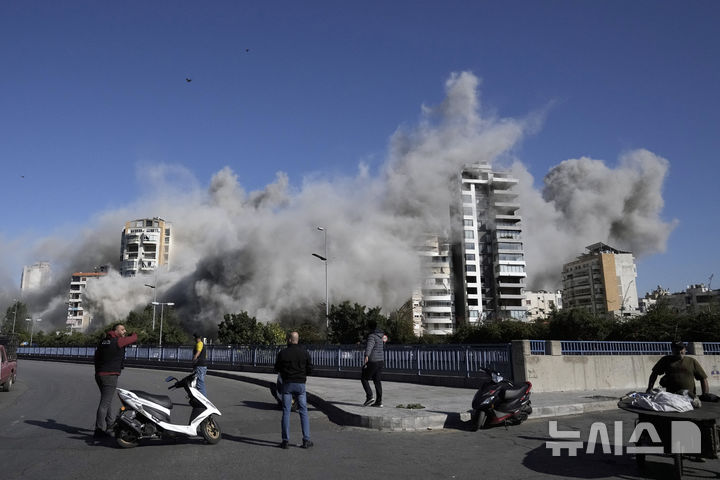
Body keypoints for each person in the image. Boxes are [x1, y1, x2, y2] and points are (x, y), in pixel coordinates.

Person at [93, 323, 138, 439]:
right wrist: (134, 333)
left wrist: (99, 371)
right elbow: (134, 338)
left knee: (107, 401)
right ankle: (98, 430)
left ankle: (110, 425)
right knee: (104, 404)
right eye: (122, 329)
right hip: (110, 376)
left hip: (99, 374)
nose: (124, 331)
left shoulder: (103, 341)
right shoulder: (118, 341)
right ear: (115, 331)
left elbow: (96, 357)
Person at [274, 331, 313, 449]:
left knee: (286, 411)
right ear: (298, 339)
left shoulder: (283, 353)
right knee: (303, 411)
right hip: (300, 385)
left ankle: (285, 441)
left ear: (290, 340)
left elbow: (277, 368)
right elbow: (310, 369)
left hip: (287, 385)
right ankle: (306, 440)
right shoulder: (305, 353)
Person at [361, 319, 385, 407]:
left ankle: (369, 396)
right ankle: (379, 402)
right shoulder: (380, 336)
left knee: (364, 378)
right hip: (380, 361)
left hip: (373, 361)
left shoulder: (371, 336)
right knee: (377, 381)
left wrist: (366, 356)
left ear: (369, 327)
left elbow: (370, 346)